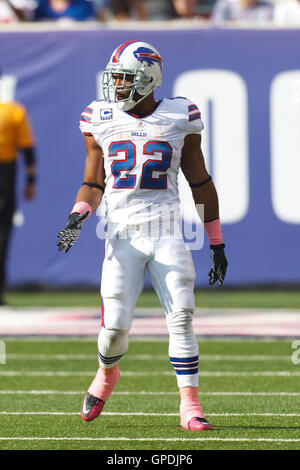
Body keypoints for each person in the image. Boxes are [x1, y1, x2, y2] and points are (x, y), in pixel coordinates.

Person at [57, 40, 228, 431]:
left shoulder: (178, 116)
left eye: (124, 78)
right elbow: (92, 182)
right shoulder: (99, 117)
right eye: (114, 77)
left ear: (148, 79)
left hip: (167, 230)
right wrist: (76, 217)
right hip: (121, 234)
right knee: (114, 329)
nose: (115, 85)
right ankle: (106, 374)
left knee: (182, 316)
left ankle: (191, 406)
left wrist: (215, 241)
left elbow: (199, 182)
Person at [0, 71, 37, 305]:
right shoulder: (13, 111)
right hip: (6, 173)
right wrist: (31, 181)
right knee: (2, 231)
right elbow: (28, 150)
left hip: (6, 171)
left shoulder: (14, 111)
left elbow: (27, 149)